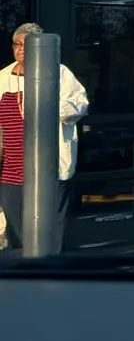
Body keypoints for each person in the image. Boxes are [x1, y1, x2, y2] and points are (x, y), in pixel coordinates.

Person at [0, 23, 90, 254]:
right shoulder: (3, 77)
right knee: (17, 225)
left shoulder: (59, 73)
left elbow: (80, 106)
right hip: (11, 168)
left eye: (25, 45)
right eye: (16, 45)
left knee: (49, 226)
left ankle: (50, 271)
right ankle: (24, 272)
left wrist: (47, 102)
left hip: (48, 166)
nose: (20, 50)